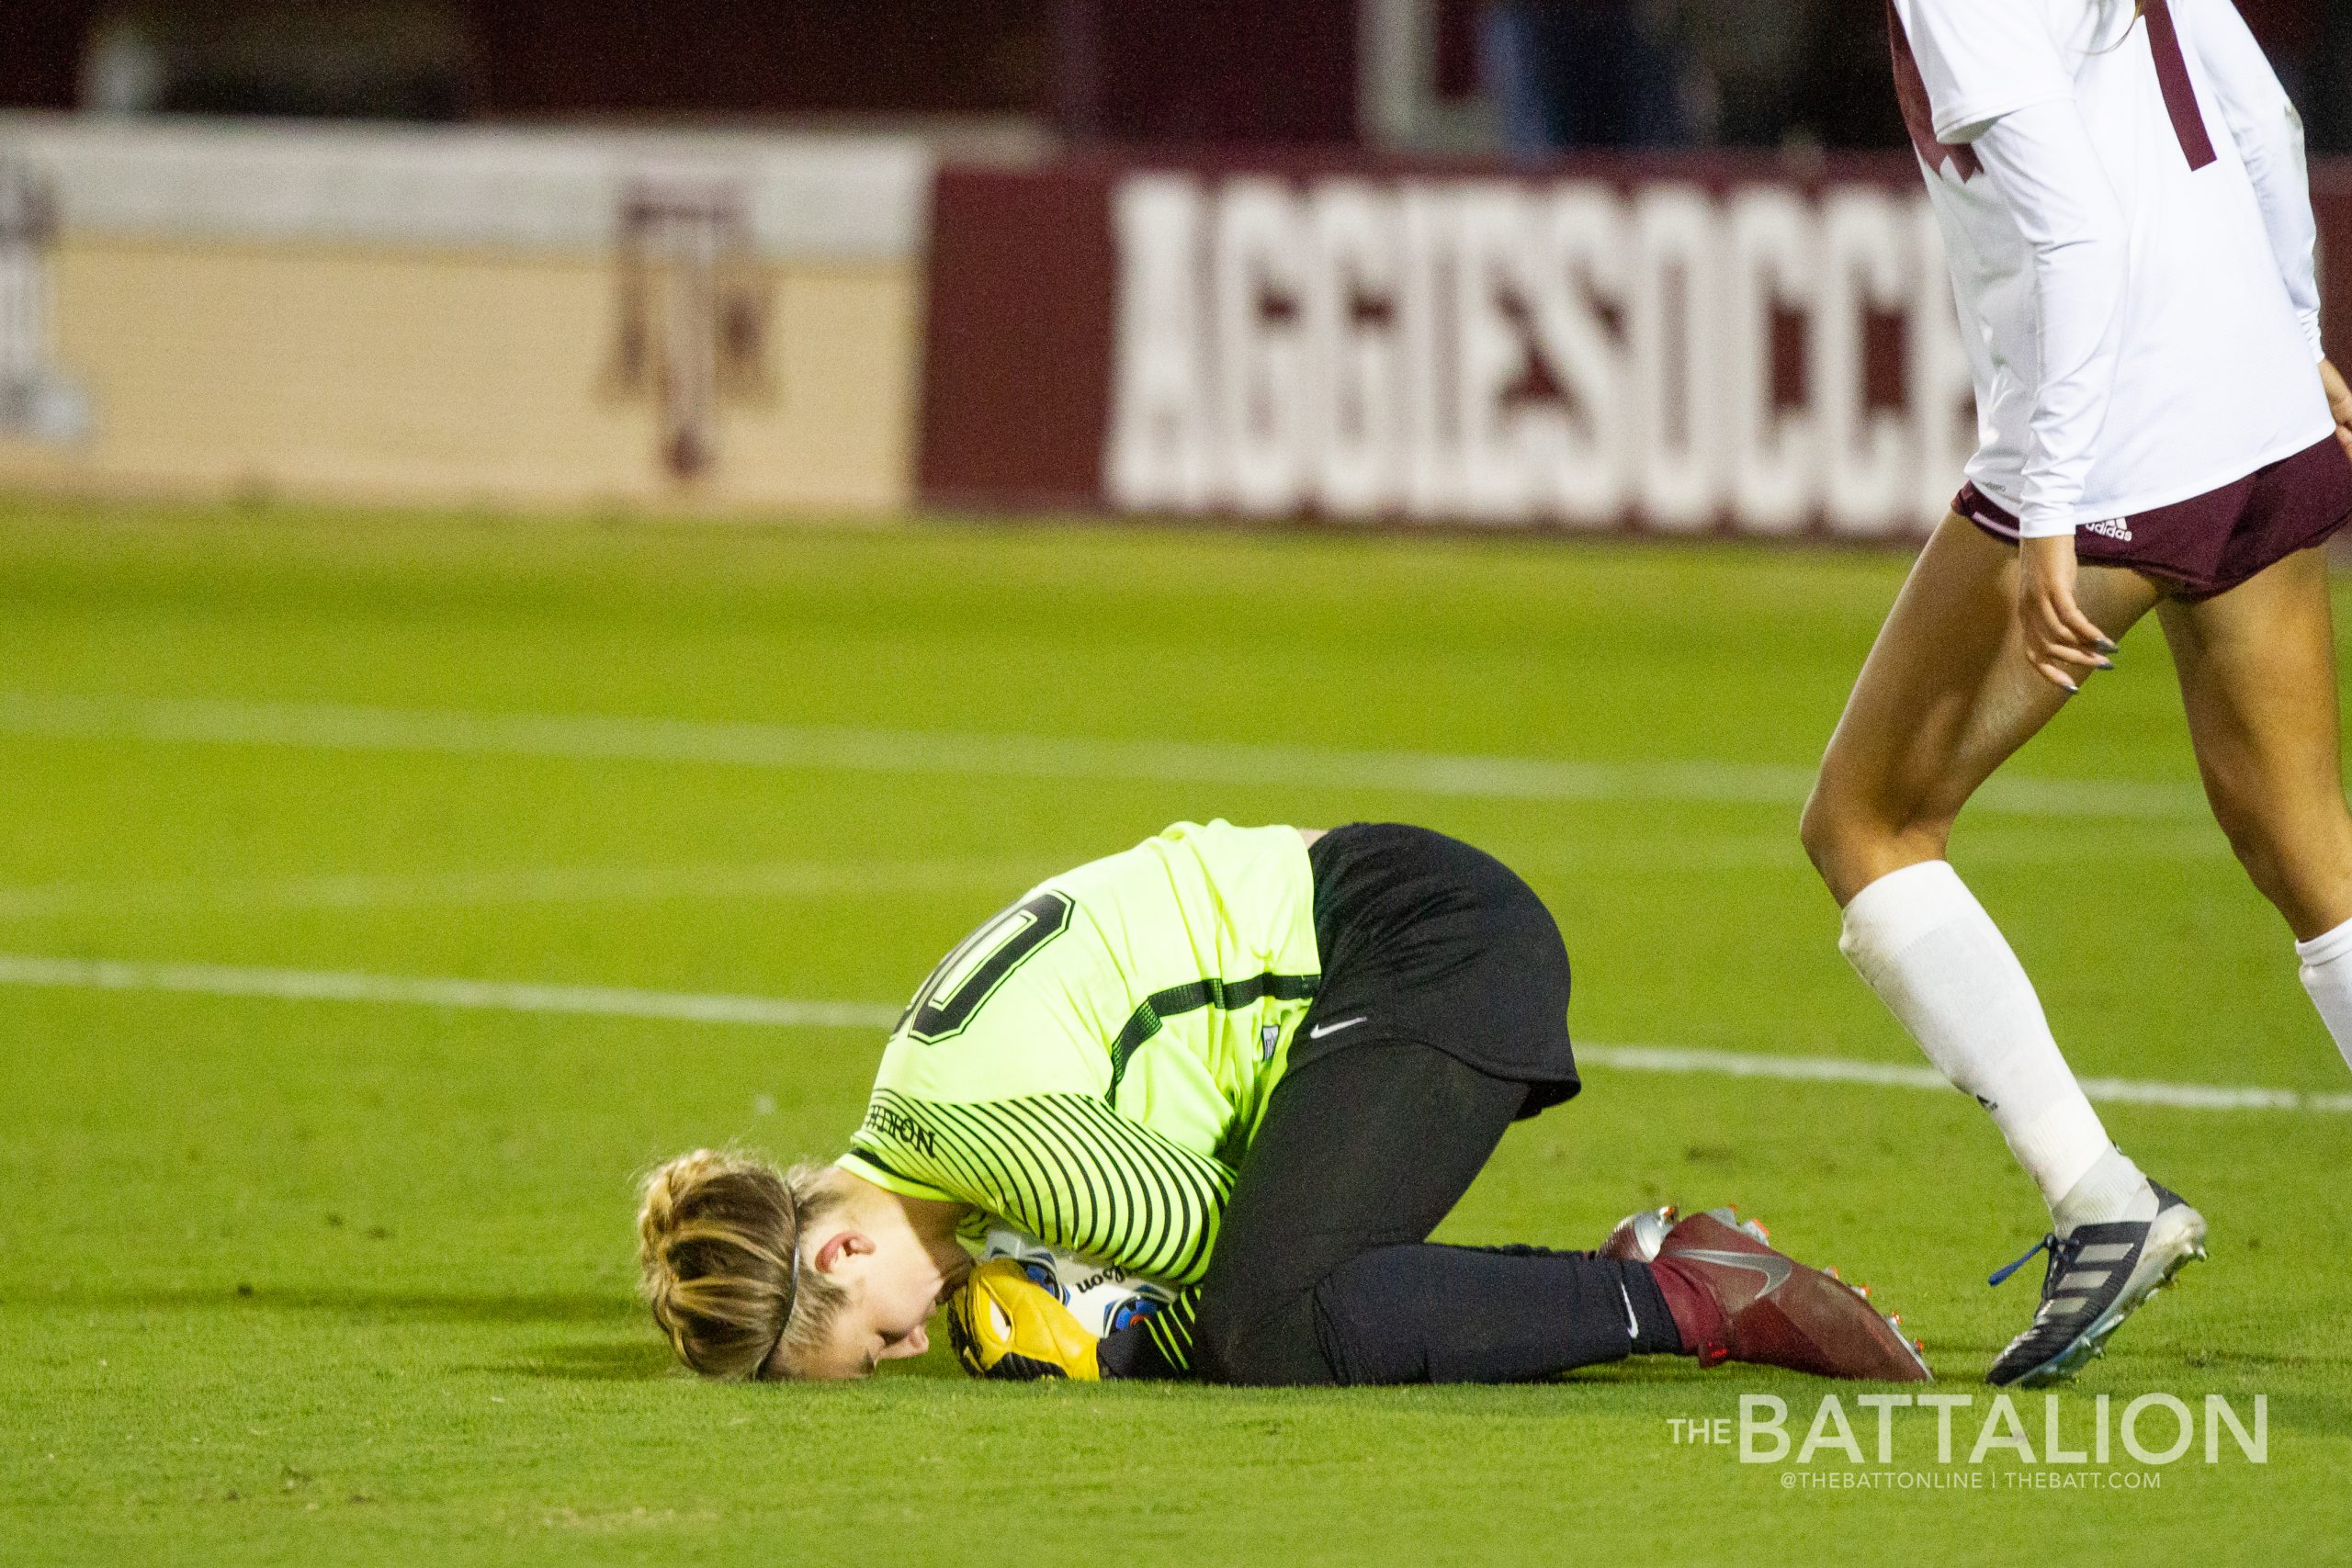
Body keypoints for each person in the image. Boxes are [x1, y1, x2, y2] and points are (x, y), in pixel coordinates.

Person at [1804, 0, 2352, 1389]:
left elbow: (2079, 233)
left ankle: (2099, 1198)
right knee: (2312, 855)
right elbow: (2269, 121)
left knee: (1867, 824)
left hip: (2118, 456)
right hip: (2260, 413)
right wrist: (2294, 327)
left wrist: (2046, 505)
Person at [637, 820, 1929, 1386]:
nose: (914, 1349)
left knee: (1275, 1325)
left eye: (876, 1340)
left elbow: (1248, 1254)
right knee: (1287, 1303)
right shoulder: (921, 1111)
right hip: (1388, 933)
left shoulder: (997, 1145)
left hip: (1426, 944)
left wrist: (1107, 1330)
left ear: (843, 1246)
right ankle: (1640, 1267)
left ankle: (1692, 1293)